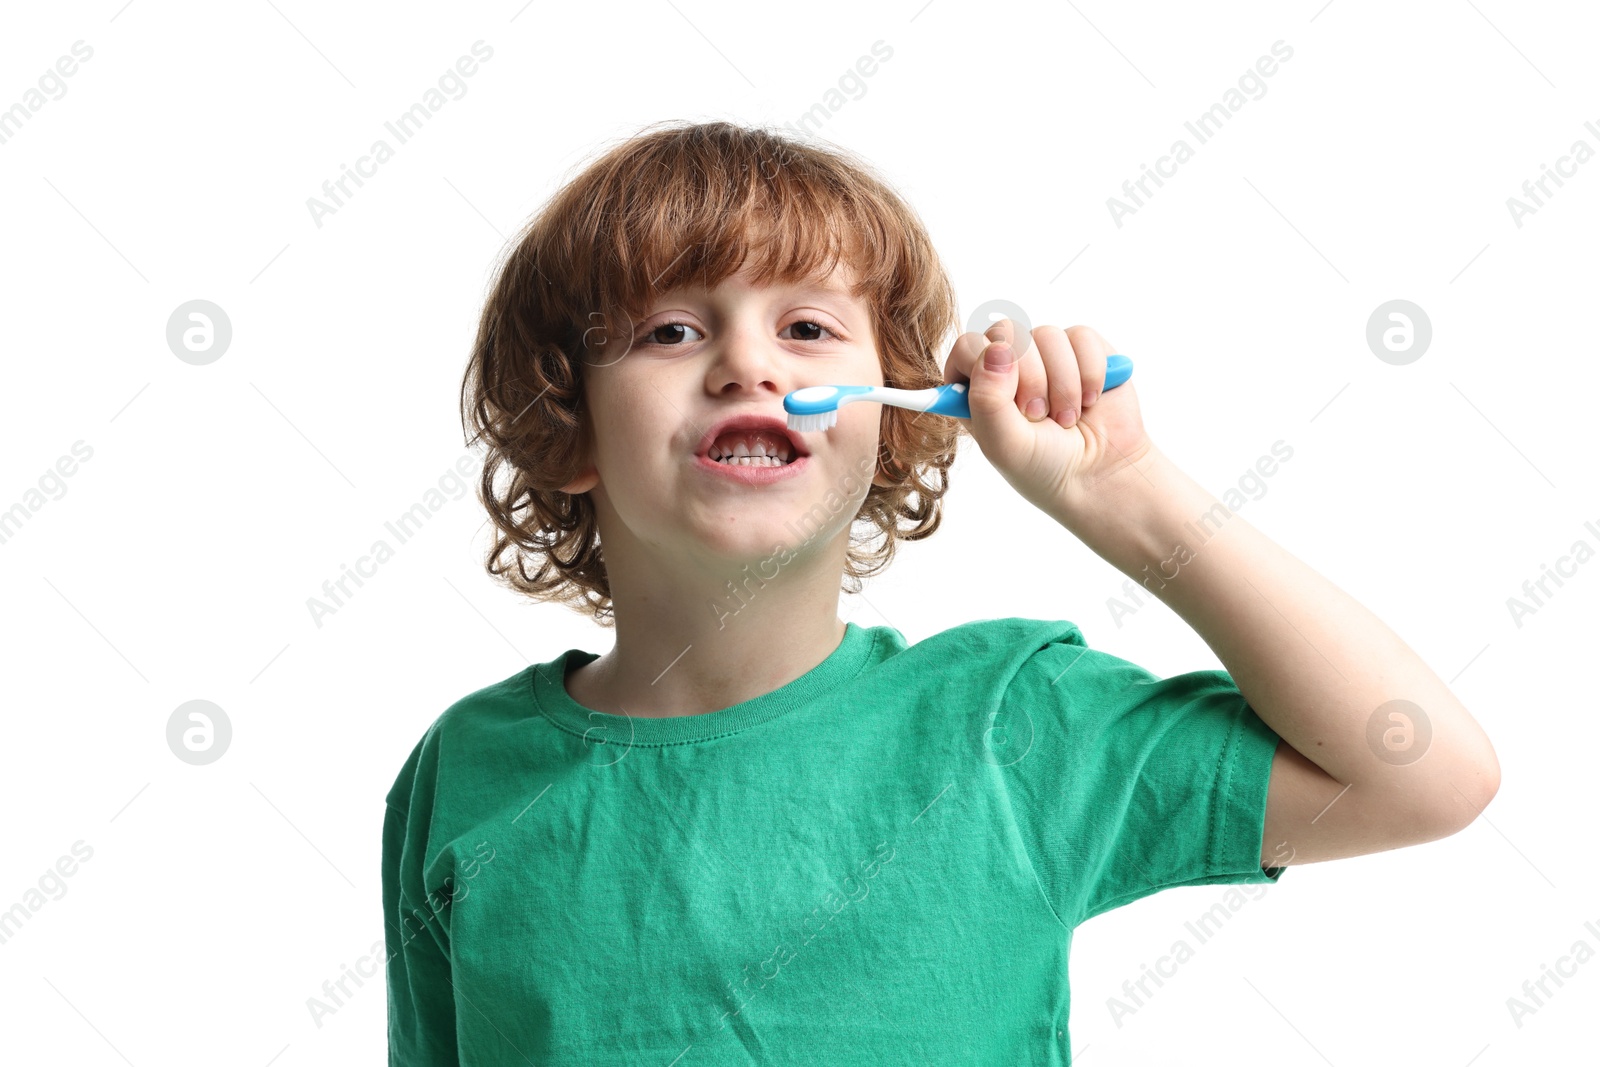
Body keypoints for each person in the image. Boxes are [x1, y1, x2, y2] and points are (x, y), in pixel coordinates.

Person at [382, 119, 1500, 1065]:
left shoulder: (1011, 724)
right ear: (565, 427)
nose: (747, 366)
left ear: (897, 413)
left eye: (808, 328)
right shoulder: (464, 772)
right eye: (672, 330)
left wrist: (1127, 492)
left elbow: (1426, 774)